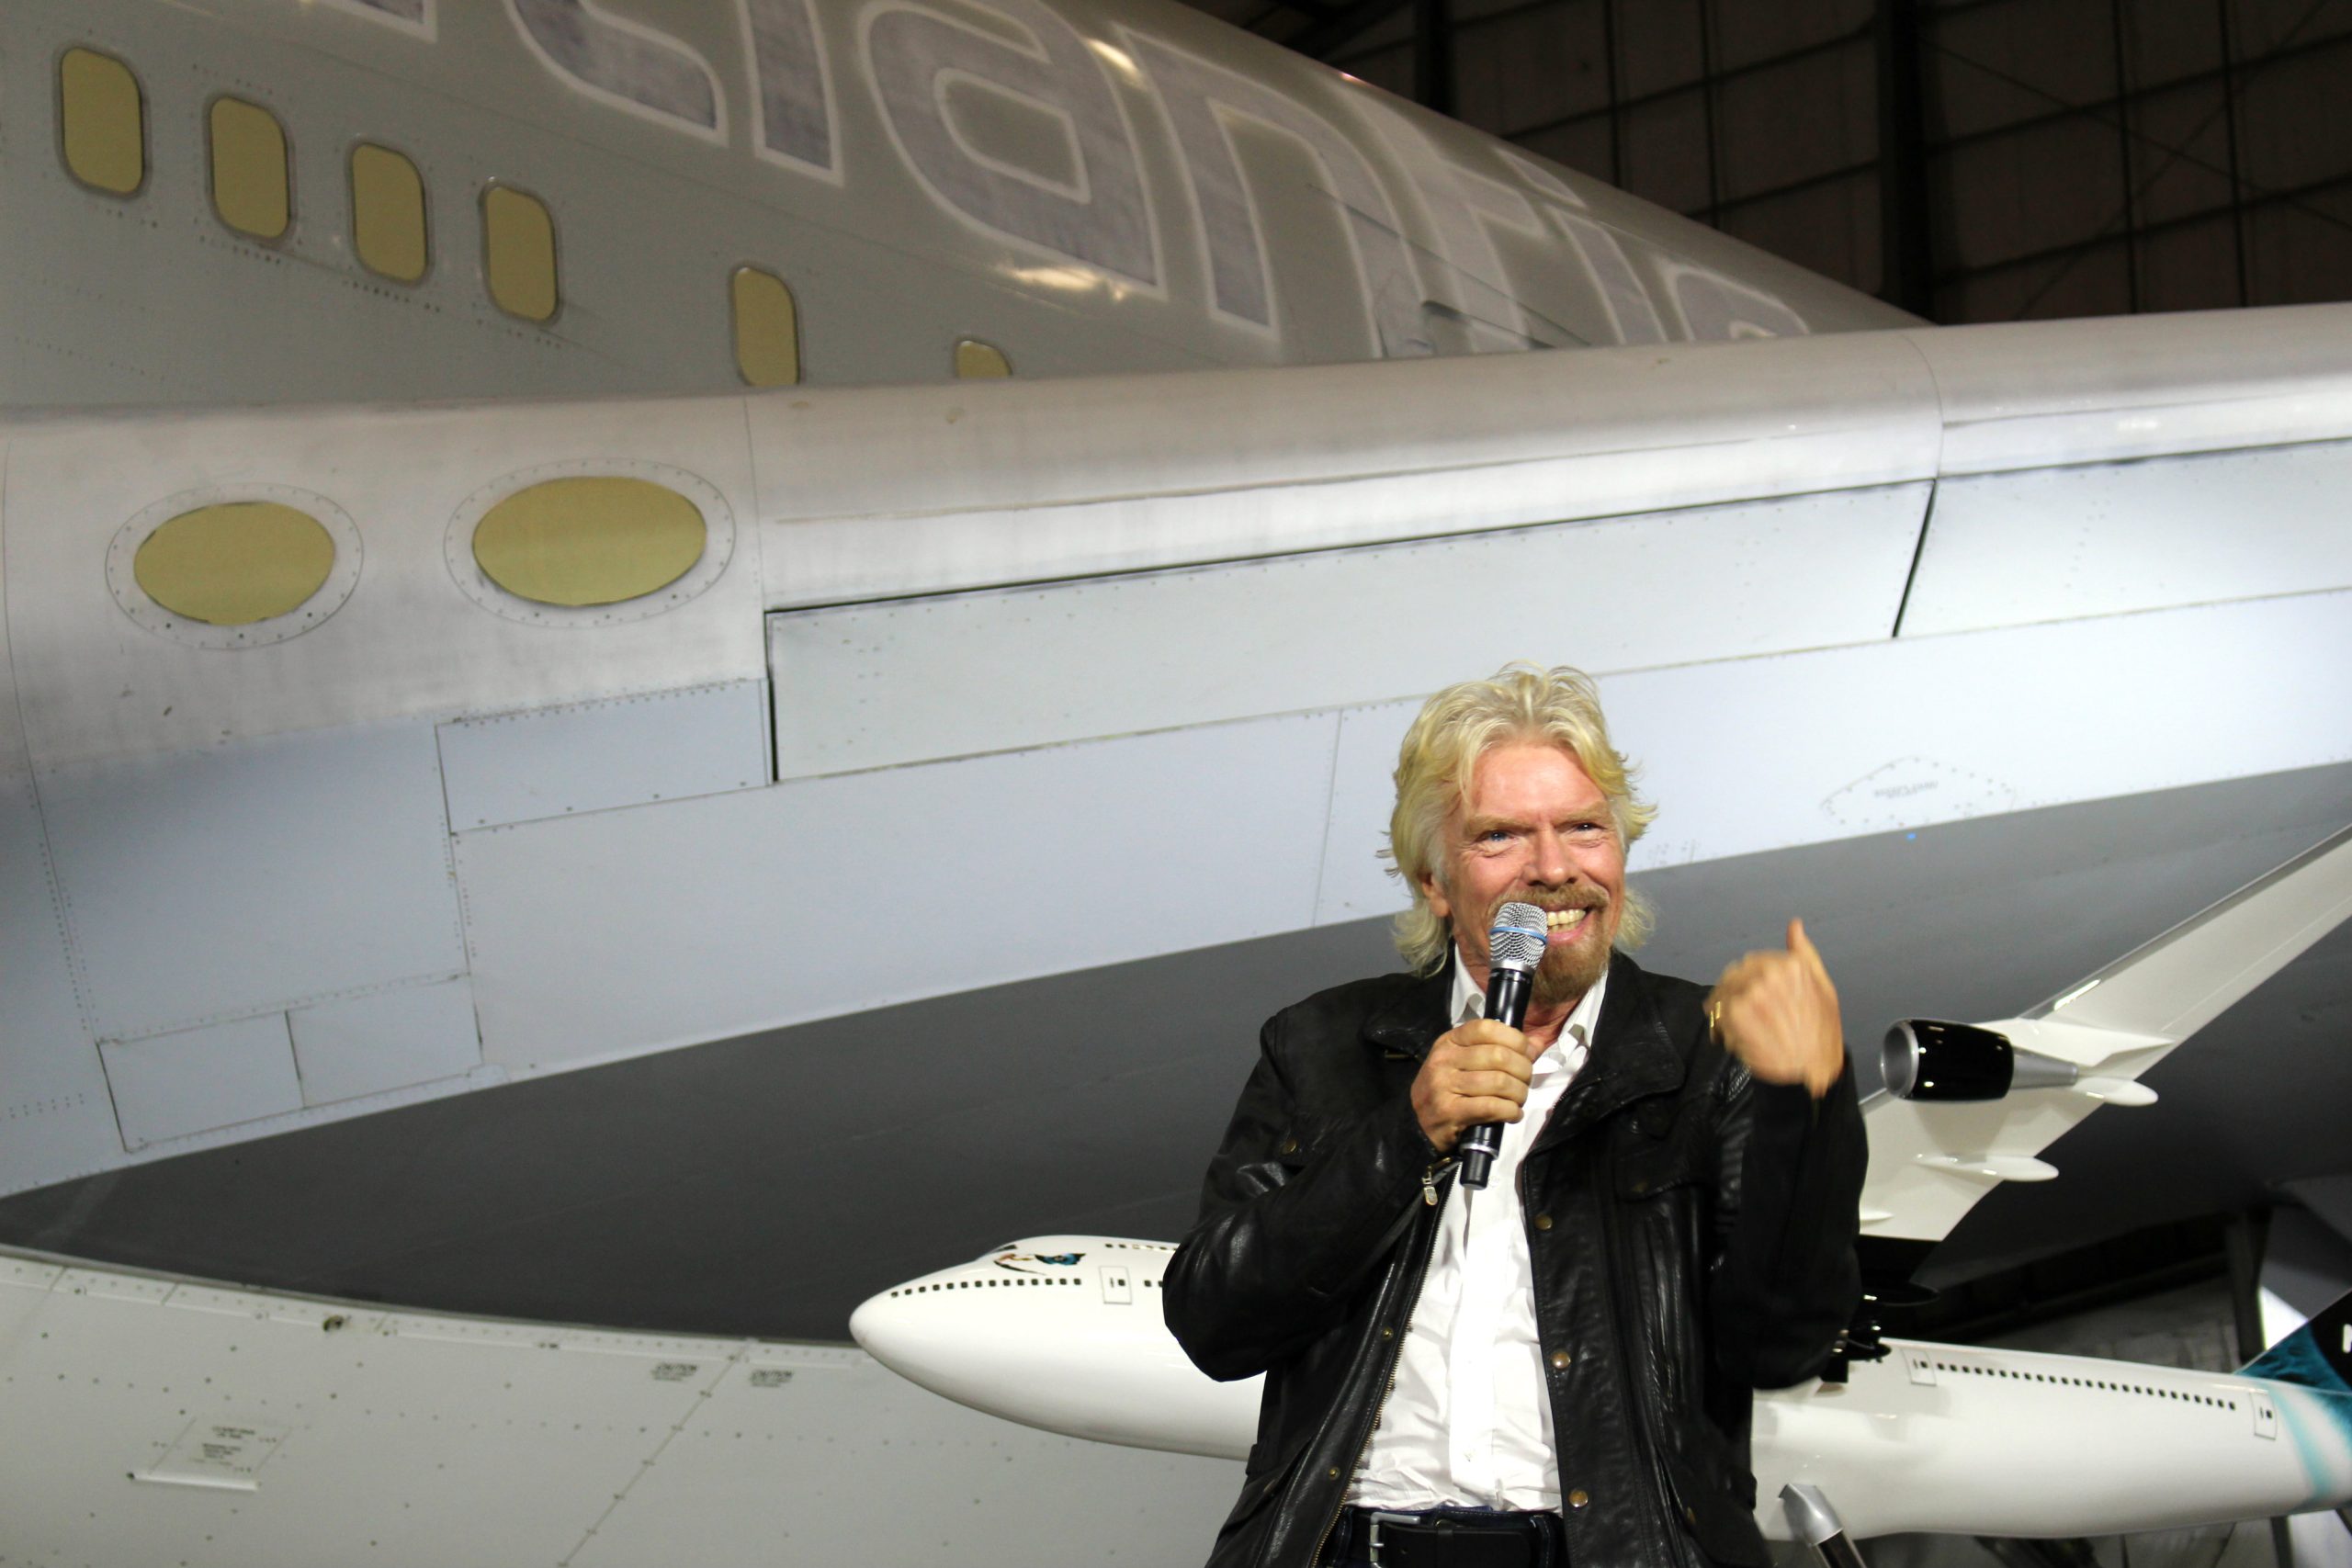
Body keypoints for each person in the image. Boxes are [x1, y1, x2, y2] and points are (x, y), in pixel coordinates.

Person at [1163, 664, 1866, 1568]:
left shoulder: (1709, 1053)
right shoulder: (1322, 1044)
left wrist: (1807, 1104)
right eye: (1501, 836)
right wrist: (1403, 1138)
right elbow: (1212, 1322)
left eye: (1583, 826)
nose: (1554, 867)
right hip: (1348, 1547)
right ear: (1435, 881)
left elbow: (1780, 1343)